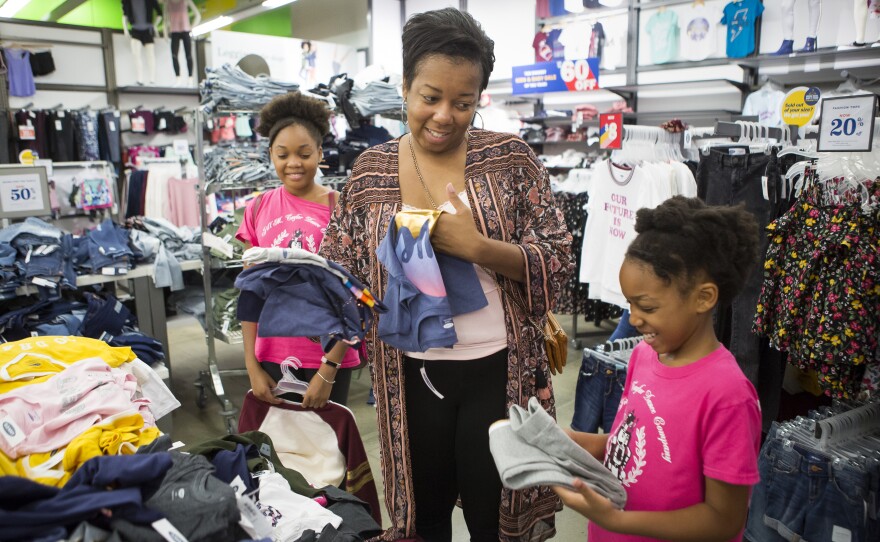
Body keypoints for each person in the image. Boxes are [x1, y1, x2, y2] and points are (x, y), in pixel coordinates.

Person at [319, 8, 572, 541]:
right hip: (411, 375)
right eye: (430, 97)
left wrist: (482, 248)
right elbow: (342, 270)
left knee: (490, 514)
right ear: (406, 86)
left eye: (464, 102)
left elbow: (559, 257)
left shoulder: (511, 160)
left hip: (498, 371)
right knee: (425, 514)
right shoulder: (369, 175)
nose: (444, 116)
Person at [554, 196, 763, 541]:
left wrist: (618, 521)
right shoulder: (644, 356)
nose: (634, 319)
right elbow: (635, 443)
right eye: (630, 304)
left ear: (703, 297)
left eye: (646, 306)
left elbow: (724, 519)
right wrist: (573, 443)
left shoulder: (728, 395)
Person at [236, 92, 360, 409]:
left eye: (304, 154)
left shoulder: (340, 208)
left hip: (325, 356)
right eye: (283, 154)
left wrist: (328, 370)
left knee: (327, 450)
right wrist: (251, 363)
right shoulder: (258, 207)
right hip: (270, 353)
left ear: (320, 153)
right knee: (280, 451)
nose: (293, 163)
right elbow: (250, 293)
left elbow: (350, 295)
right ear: (271, 155)